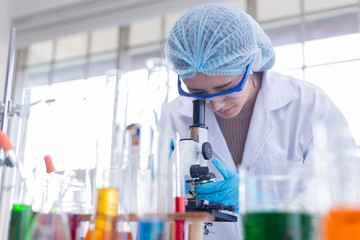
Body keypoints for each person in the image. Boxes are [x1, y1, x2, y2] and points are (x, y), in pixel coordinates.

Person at [164, 3, 356, 240]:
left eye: (226, 88)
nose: (215, 104)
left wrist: (265, 207)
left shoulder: (309, 105)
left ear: (252, 62)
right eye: (198, 93)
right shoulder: (174, 116)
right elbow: (150, 209)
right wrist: (166, 190)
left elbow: (347, 192)